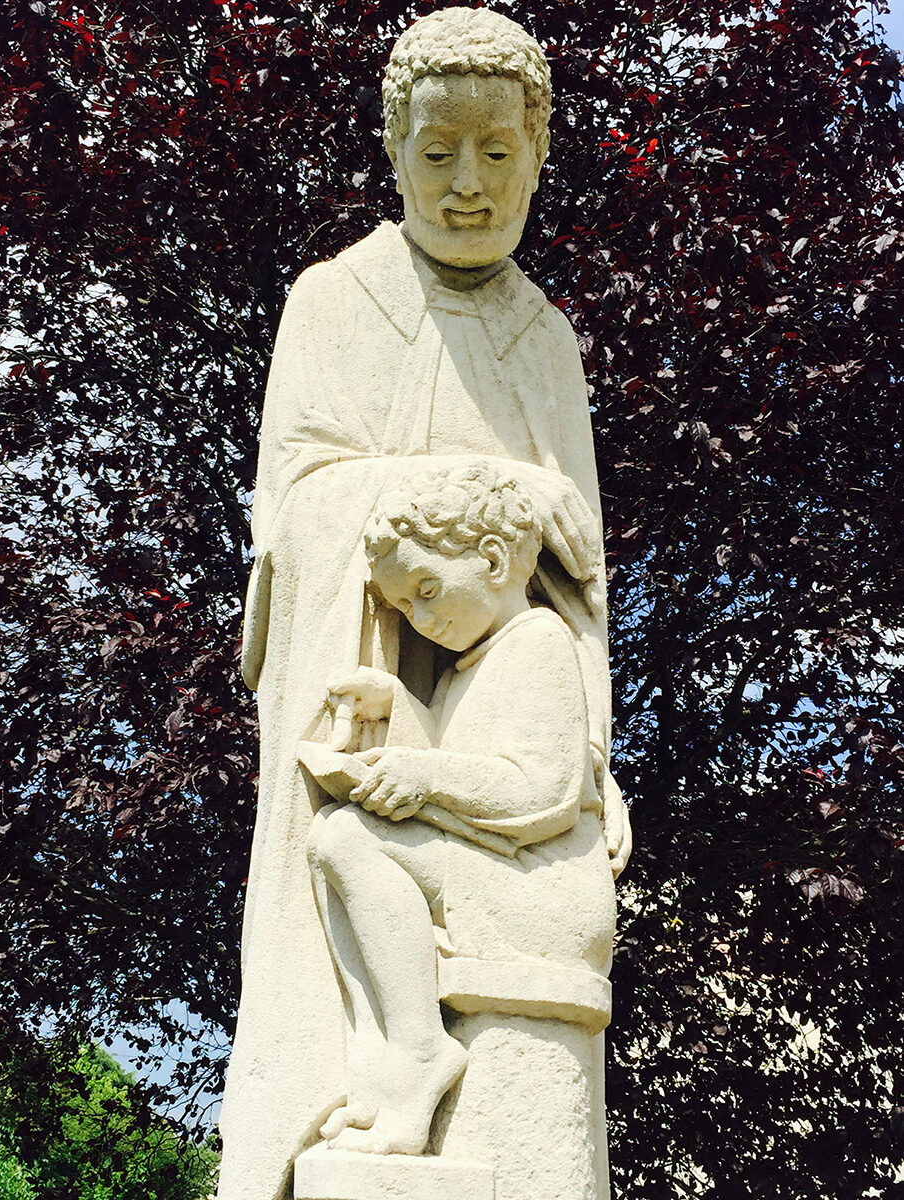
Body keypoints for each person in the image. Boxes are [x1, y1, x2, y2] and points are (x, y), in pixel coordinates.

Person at [216, 10, 630, 1199]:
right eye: (437, 150)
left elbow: (579, 579)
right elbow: (298, 518)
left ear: (537, 152)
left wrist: (592, 762)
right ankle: (373, 1068)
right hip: (384, 693)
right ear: (393, 148)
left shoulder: (546, 340)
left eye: (496, 154)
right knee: (347, 856)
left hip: (516, 728)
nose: (465, 186)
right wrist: (497, 492)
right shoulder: (333, 304)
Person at [305, 463, 616, 1158]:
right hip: (502, 874)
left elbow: (543, 793)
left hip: (549, 892)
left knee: (349, 839)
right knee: (336, 839)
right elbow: (465, 757)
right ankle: (390, 1059)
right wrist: (395, 709)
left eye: (426, 589)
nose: (421, 617)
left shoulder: (539, 641)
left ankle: (417, 1053)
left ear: (496, 558)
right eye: (404, 607)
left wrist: (422, 774)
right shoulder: (466, 669)